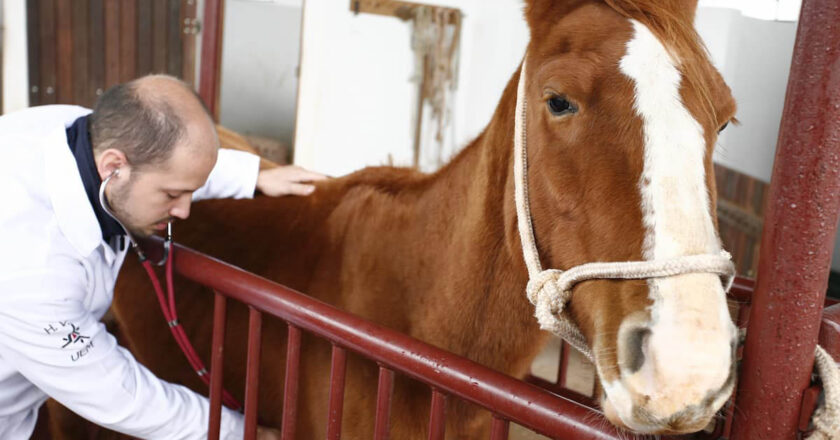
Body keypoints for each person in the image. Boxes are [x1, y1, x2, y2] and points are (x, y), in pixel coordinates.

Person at [0, 74, 326, 439]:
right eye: (172, 195)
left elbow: (155, 163)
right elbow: (118, 395)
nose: (184, 211)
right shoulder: (32, 270)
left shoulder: (74, 132)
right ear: (113, 168)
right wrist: (239, 432)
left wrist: (250, 176)